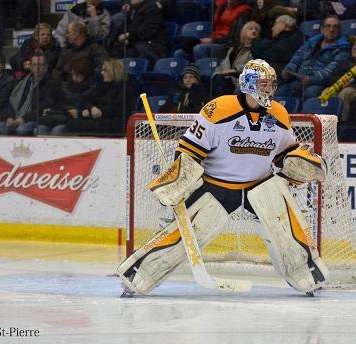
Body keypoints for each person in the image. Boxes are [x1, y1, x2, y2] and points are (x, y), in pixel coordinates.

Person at [117, 59, 329, 296]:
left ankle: (306, 276)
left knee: (287, 230)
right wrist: (180, 179)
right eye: (263, 84)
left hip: (260, 185)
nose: (268, 90)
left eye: (271, 84)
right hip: (216, 185)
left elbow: (284, 153)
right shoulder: (218, 109)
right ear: (248, 84)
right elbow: (189, 150)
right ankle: (138, 276)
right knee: (184, 236)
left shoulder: (278, 113)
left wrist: (297, 162)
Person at [277, 15, 350, 103]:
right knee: (281, 92)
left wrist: (311, 79)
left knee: (310, 93)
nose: (331, 30)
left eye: (335, 27)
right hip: (299, 79)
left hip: (320, 83)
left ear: (339, 31)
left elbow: (330, 71)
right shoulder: (311, 42)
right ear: (322, 29)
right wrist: (288, 70)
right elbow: (297, 57)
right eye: (328, 26)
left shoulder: (343, 48)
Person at [0, 54, 61, 136]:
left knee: (22, 130)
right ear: (30, 67)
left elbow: (44, 106)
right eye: (35, 65)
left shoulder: (51, 83)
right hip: (16, 117)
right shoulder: (24, 81)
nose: (38, 68)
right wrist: (9, 117)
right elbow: (11, 101)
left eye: (41, 65)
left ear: (46, 67)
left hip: (36, 119)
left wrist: (24, 119)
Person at [64, 58, 133, 136]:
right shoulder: (102, 87)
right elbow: (85, 100)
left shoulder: (124, 89)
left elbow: (118, 109)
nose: (102, 73)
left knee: (79, 125)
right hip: (98, 119)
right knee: (72, 123)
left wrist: (101, 112)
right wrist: (91, 108)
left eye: (105, 70)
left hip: (113, 122)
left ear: (114, 72)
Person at [211, 20, 261, 96]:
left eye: (256, 29)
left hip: (242, 80)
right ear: (243, 32)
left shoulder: (256, 49)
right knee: (216, 79)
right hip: (228, 78)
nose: (254, 31)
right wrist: (216, 73)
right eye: (250, 29)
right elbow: (224, 64)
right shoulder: (234, 49)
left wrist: (234, 70)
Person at [110, 0, 167, 65]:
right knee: (114, 49)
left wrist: (129, 36)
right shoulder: (133, 10)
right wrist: (121, 37)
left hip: (151, 46)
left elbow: (147, 31)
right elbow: (124, 28)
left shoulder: (153, 9)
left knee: (132, 51)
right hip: (135, 43)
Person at [251, 14, 304, 81]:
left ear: (284, 25)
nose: (272, 28)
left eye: (275, 24)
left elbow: (273, 55)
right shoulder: (278, 39)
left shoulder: (294, 38)